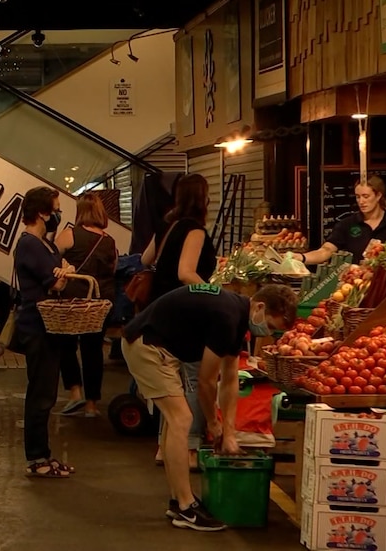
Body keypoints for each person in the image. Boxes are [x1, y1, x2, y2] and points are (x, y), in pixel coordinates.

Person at [122, 283, 297, 531]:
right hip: (147, 346)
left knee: (176, 421)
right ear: (259, 306)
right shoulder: (227, 317)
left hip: (158, 347)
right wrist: (213, 424)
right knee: (181, 419)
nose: (266, 331)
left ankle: (178, 502)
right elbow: (206, 382)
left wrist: (229, 432)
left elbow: (230, 378)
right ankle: (185, 507)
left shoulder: (237, 317)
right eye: (269, 325)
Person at [140, 173, 217, 467]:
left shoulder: (166, 223)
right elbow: (186, 273)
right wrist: (216, 293)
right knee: (196, 380)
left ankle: (164, 447)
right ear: (202, 198)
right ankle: (190, 449)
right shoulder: (194, 229)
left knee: (169, 384)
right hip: (186, 315)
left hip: (158, 313)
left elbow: (147, 259)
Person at [14, 186, 76, 478]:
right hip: (37, 325)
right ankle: (37, 458)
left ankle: (44, 455)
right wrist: (62, 274)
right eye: (56, 207)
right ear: (42, 212)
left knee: (46, 392)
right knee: (40, 393)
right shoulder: (30, 244)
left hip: (49, 326)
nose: (59, 214)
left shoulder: (45, 244)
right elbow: (55, 282)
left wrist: (64, 271)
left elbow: (61, 272)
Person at [54, 192, 117, 417]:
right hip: (101, 302)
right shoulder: (109, 241)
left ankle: (75, 393)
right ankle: (91, 405)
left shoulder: (69, 235)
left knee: (66, 345)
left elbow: (52, 259)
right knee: (93, 350)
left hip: (74, 300)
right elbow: (112, 269)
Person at [294, 175, 386, 265]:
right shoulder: (347, 224)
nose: (361, 201)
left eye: (366, 196)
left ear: (378, 196)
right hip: (355, 284)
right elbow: (326, 250)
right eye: (358, 197)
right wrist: (302, 257)